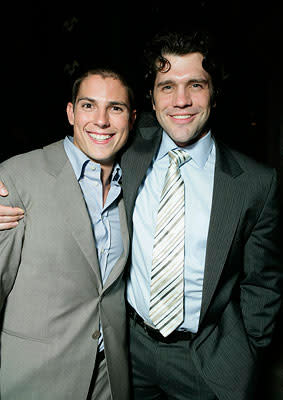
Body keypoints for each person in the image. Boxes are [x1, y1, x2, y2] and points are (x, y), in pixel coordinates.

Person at [0, 31, 282, 400]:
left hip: (206, 359)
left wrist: (249, 349)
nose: (181, 100)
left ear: (214, 92)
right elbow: (76, 145)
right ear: (151, 98)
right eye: (167, 86)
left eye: (195, 84)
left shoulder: (255, 184)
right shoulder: (130, 147)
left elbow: (264, 282)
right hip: (128, 351)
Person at [0, 67, 136, 399]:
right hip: (34, 379)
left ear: (132, 119)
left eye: (115, 108)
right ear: (71, 112)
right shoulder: (18, 177)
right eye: (89, 105)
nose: (101, 120)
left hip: (109, 379)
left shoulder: (134, 182)